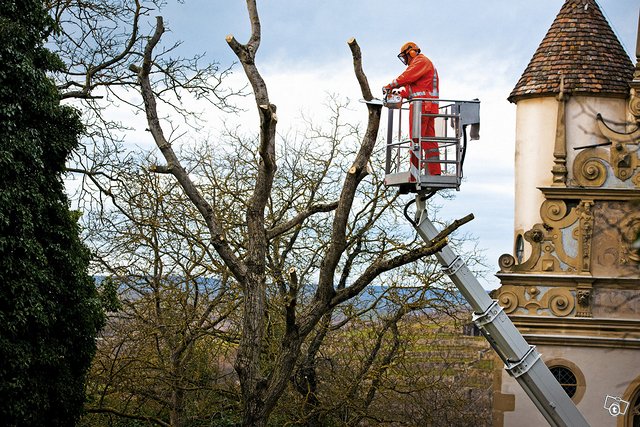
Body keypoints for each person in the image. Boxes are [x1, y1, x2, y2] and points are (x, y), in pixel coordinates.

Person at [384, 41, 441, 176]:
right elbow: (412, 90)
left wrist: (390, 86)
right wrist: (399, 95)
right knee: (428, 141)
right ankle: (435, 172)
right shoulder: (421, 66)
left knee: (415, 138)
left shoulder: (420, 61)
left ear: (411, 52)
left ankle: (414, 171)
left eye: (405, 56)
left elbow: (407, 77)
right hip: (427, 106)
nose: (404, 60)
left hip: (420, 107)